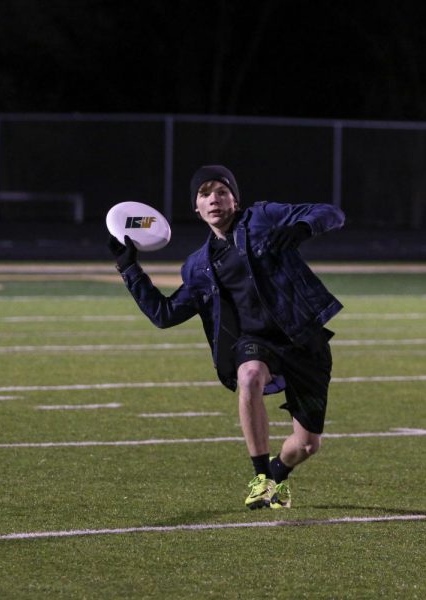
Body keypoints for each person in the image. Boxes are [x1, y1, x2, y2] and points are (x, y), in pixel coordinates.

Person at [108, 165, 345, 510]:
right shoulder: (197, 266)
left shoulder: (263, 217)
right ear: (196, 208)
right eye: (204, 194)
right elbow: (164, 314)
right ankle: (261, 476)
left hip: (302, 337)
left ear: (235, 199)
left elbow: (332, 213)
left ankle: (279, 471)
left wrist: (301, 227)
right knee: (248, 375)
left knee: (307, 445)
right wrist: (130, 269)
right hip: (255, 342)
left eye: (221, 191)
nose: (213, 199)